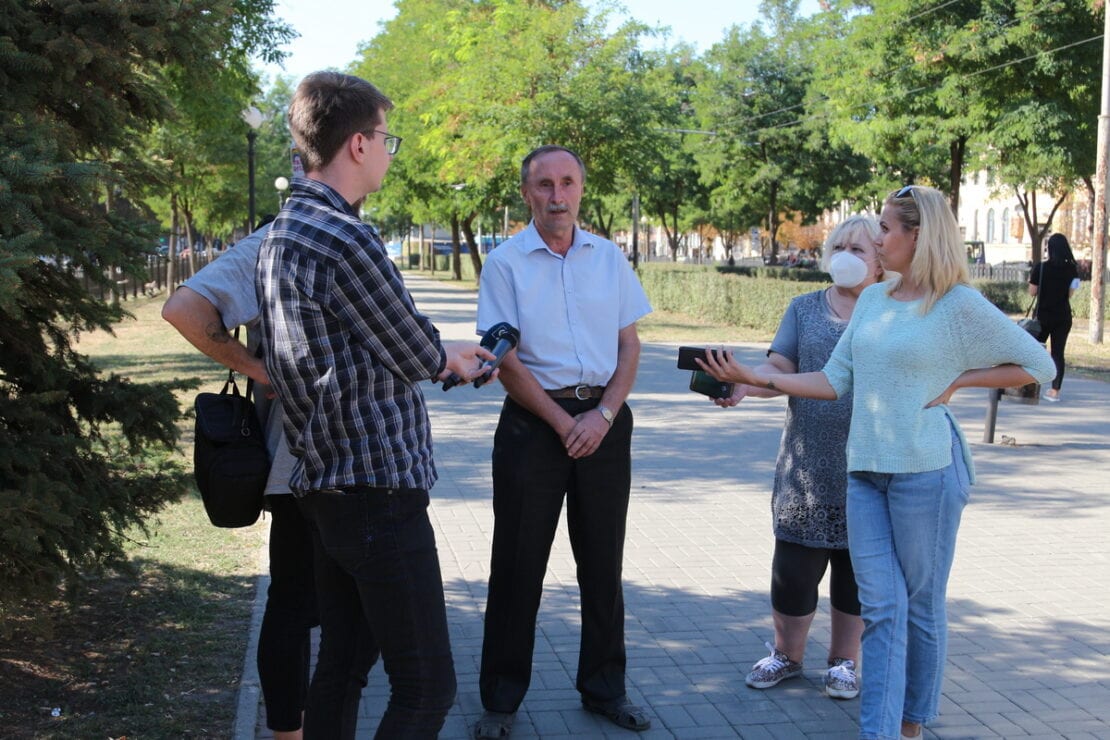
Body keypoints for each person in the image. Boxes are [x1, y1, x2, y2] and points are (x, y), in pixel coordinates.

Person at [699, 185, 1055, 740]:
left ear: (919, 235)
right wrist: (755, 378)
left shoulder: (956, 303)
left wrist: (961, 378)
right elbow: (833, 380)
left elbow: (1039, 365)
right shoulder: (871, 300)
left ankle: (911, 725)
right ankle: (881, 733)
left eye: (887, 229)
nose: (878, 238)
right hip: (863, 474)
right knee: (882, 611)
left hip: (927, 474)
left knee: (920, 607)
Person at [255, 71, 497, 738]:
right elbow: (417, 351)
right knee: (427, 688)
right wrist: (450, 354)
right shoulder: (345, 236)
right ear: (358, 144)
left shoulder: (284, 228)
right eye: (388, 138)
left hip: (324, 482)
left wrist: (443, 352)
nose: (392, 151)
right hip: (376, 489)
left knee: (341, 665)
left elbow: (361, 344)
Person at [473, 145, 653, 739]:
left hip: (603, 421)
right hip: (533, 425)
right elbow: (504, 359)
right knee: (518, 566)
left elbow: (629, 346)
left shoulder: (608, 257)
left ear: (581, 189)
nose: (557, 195)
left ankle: (605, 689)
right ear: (527, 194)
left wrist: (602, 414)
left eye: (567, 183)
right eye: (545, 184)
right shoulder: (504, 263)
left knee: (603, 564)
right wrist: (560, 421)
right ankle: (500, 702)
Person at [717, 215, 883, 702]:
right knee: (793, 573)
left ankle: (843, 663)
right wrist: (744, 385)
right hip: (806, 469)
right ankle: (787, 656)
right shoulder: (804, 308)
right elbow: (780, 369)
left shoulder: (892, 312)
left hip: (870, 468)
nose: (847, 256)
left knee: (855, 575)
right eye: (840, 246)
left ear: (881, 260)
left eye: (860, 248)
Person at [1029, 232, 1081, 402]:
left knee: (1035, 351)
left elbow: (1032, 292)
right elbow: (1071, 294)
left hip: (1043, 317)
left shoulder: (1041, 267)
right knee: (1058, 353)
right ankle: (1054, 391)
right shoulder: (1073, 269)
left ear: (1050, 249)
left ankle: (1031, 386)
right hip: (1063, 317)